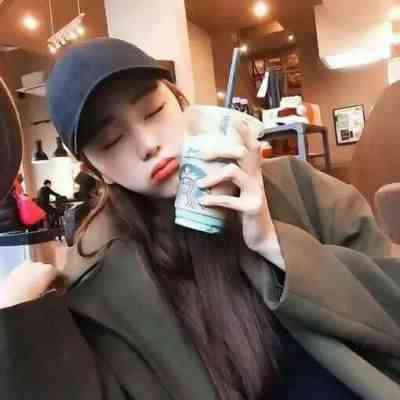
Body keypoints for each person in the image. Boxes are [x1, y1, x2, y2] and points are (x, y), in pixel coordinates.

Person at [0, 38, 399, 400]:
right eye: (111, 141)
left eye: (154, 111)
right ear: (95, 170)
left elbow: (391, 302)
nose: (148, 144)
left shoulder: (295, 185)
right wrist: (18, 322)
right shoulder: (99, 280)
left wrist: (275, 245)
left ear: (180, 101)